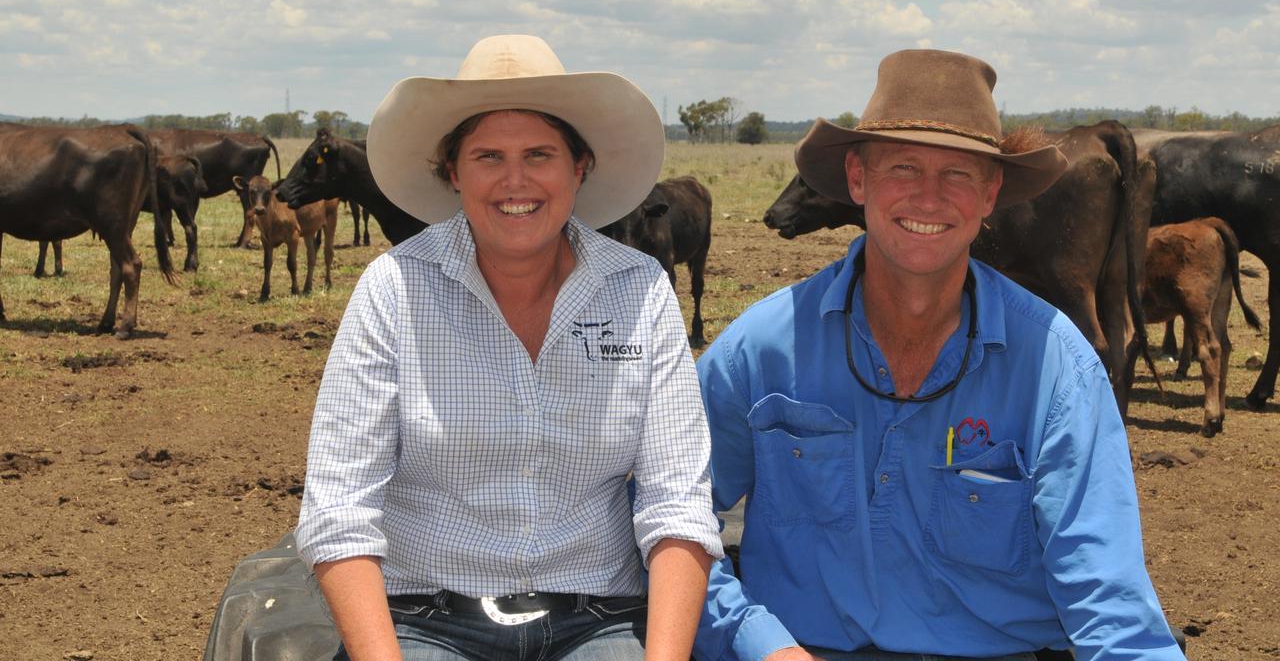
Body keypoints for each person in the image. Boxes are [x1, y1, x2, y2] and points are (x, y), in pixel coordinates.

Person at [692, 50, 1185, 661]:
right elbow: (670, 523)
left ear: (990, 193)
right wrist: (756, 642)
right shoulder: (758, 350)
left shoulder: (1056, 367)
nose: (928, 198)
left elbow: (1108, 596)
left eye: (958, 174)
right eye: (903, 167)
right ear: (857, 179)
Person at [295, 34, 723, 661]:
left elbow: (678, 504)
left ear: (579, 167)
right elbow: (339, 508)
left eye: (540, 154)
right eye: (488, 155)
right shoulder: (394, 290)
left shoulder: (639, 292)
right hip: (425, 617)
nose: (514, 180)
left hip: (596, 617)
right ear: (453, 172)